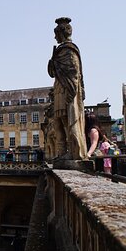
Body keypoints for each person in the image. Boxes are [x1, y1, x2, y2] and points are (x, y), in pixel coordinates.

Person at [47, 17, 88, 161]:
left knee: (66, 120)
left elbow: (73, 72)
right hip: (58, 88)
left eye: (56, 34)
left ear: (62, 33)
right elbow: (53, 72)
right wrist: (52, 64)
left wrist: (57, 65)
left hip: (66, 88)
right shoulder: (60, 50)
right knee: (58, 121)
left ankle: (73, 151)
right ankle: (62, 152)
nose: (54, 37)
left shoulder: (69, 49)